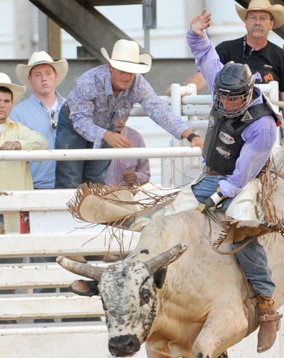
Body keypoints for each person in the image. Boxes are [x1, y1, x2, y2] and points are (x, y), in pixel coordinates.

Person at [188, 9, 282, 353]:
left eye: (233, 98)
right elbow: (204, 56)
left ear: (247, 93)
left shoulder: (262, 127)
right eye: (223, 97)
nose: (226, 103)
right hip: (212, 173)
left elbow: (243, 173)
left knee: (240, 229)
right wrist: (197, 33)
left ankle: (267, 306)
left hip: (245, 180)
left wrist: (215, 197)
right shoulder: (222, 83)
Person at [54, 39, 203, 188]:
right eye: (123, 71)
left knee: (96, 180)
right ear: (111, 67)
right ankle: (68, 210)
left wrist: (191, 136)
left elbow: (159, 110)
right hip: (73, 125)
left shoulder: (137, 84)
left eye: (131, 72)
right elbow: (80, 120)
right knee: (69, 179)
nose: (127, 77)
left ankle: (89, 209)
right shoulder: (89, 81)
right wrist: (107, 135)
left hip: (106, 127)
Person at [216, 0, 284, 145]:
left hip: (266, 126)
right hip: (230, 126)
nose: (257, 22)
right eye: (252, 17)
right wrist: (188, 88)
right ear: (245, 22)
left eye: (263, 18)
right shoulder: (226, 50)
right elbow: (206, 74)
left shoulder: (280, 57)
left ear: (271, 24)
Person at [11, 51, 68, 189]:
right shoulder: (16, 114)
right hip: (33, 187)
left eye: (48, 73)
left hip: (72, 186)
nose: (44, 78)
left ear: (56, 76)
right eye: (37, 74)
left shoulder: (74, 109)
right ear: (30, 80)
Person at [0, 73, 48, 233]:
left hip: (13, 202)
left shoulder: (18, 129)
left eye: (6, 101)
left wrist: (19, 144)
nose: (2, 105)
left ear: (12, 105)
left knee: (15, 250)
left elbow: (42, 141)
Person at [104, 118, 150, 186]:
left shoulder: (136, 137)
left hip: (125, 194)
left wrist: (136, 177)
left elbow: (145, 174)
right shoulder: (92, 135)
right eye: (117, 117)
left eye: (125, 115)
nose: (121, 122)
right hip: (94, 194)